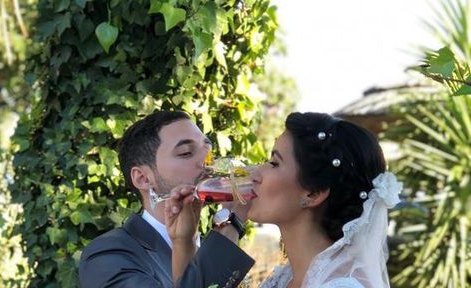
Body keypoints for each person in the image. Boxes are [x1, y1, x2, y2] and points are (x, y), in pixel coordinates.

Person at [166, 112, 402, 288]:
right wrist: (183, 242)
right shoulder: (285, 278)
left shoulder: (341, 285)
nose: (256, 172)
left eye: (274, 163)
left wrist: (232, 222)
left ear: (313, 194)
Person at [79, 110, 254, 287]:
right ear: (143, 178)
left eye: (208, 150)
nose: (207, 162)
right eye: (186, 153)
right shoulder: (107, 256)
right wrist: (232, 220)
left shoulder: (210, 246)